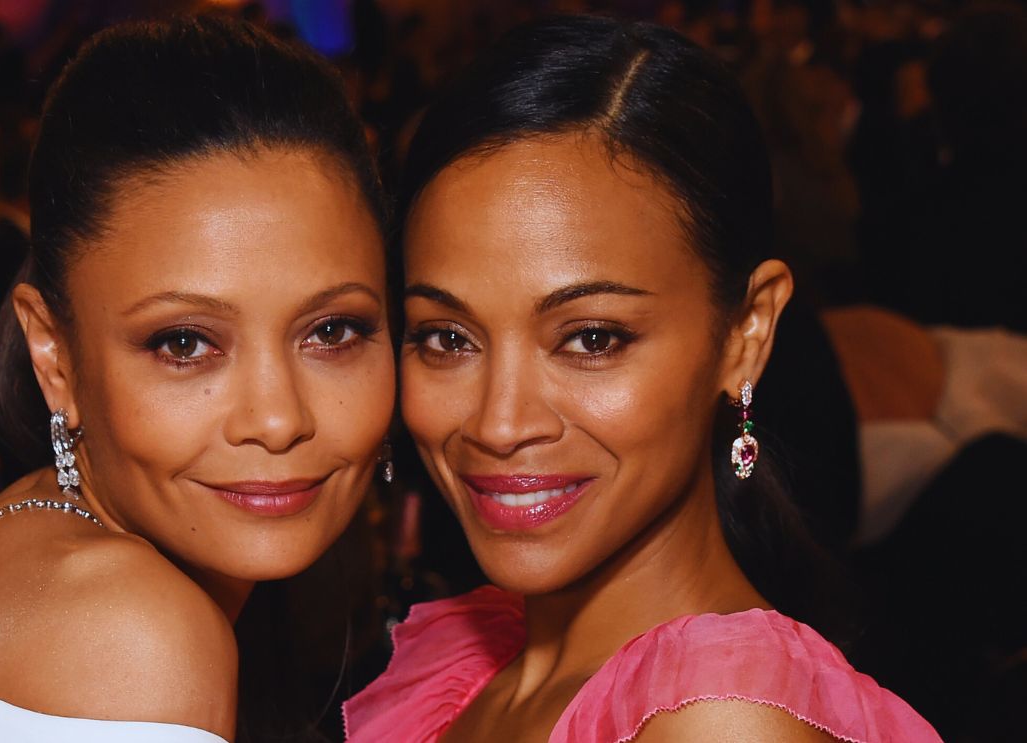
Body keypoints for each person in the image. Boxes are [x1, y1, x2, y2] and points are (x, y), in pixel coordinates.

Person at [344, 16, 939, 742]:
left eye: (591, 339)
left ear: (745, 332)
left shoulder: (722, 723)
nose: (499, 423)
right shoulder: (469, 666)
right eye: (447, 338)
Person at [0, 16, 393, 742]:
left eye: (331, 331)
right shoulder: (131, 633)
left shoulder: (34, 531)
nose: (277, 418)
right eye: (184, 343)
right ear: (54, 355)